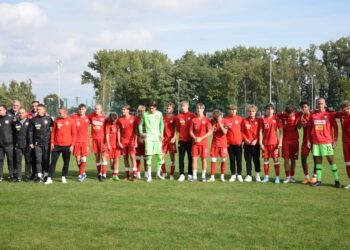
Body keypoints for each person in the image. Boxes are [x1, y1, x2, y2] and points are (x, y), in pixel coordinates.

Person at [307, 98, 340, 188]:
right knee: (318, 161)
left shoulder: (329, 115)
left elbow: (335, 127)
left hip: (326, 141)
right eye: (318, 103)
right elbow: (309, 129)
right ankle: (319, 180)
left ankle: (337, 180)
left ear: (325, 104)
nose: (320, 105)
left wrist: (335, 140)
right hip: (316, 142)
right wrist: (308, 140)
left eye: (321, 103)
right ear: (316, 104)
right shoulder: (313, 115)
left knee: (331, 160)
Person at [45, 107, 76, 184]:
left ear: (65, 112)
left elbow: (74, 134)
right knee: (53, 162)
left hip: (67, 145)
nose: (58, 114)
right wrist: (52, 142)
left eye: (60, 113)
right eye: (58, 112)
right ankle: (49, 178)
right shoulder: (56, 120)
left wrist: (72, 145)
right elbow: (53, 133)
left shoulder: (71, 121)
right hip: (56, 145)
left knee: (66, 162)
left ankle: (63, 177)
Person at [138, 101, 164, 182]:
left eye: (152, 107)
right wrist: (141, 133)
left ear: (155, 107)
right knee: (149, 157)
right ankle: (149, 176)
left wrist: (161, 133)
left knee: (159, 157)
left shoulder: (159, 114)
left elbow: (161, 124)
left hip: (157, 138)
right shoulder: (145, 114)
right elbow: (140, 125)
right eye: (150, 107)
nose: (151, 109)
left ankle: (158, 174)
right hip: (149, 138)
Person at [28, 104, 53, 182]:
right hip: (37, 143)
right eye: (37, 109)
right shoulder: (33, 119)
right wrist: (31, 142)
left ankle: (46, 175)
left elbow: (55, 128)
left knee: (46, 160)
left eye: (40, 109)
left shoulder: (48, 118)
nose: (38, 110)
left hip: (47, 143)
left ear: (44, 110)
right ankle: (39, 175)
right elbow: (30, 132)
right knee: (38, 160)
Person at [259, 104, 283, 184]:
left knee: (276, 160)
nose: (269, 110)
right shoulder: (263, 119)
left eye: (271, 109)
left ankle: (277, 177)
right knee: (266, 160)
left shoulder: (276, 118)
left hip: (274, 143)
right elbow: (260, 131)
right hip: (265, 144)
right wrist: (260, 142)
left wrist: (280, 142)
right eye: (268, 109)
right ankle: (266, 177)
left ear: (273, 110)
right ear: (265, 110)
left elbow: (281, 131)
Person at [189, 103, 212, 182]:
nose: (199, 110)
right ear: (196, 109)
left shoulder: (207, 120)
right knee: (194, 159)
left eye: (200, 108)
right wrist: (195, 138)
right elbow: (190, 131)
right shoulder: (193, 120)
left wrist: (201, 138)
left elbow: (210, 132)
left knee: (203, 159)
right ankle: (194, 177)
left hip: (203, 144)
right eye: (197, 108)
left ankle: (203, 176)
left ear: (203, 109)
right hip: (195, 143)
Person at [277, 106, 300, 183]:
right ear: (285, 112)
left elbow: (306, 112)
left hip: (295, 141)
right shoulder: (282, 115)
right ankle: (287, 176)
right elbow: (274, 116)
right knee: (286, 159)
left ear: (293, 112)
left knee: (293, 159)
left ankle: (292, 176)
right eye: (288, 113)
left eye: (291, 113)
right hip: (285, 141)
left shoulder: (297, 114)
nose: (290, 115)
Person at [176, 100, 196, 182]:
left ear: (188, 106)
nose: (183, 108)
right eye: (182, 106)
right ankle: (181, 174)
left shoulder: (192, 115)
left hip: (190, 141)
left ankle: (190, 174)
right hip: (181, 140)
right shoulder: (178, 116)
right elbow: (177, 128)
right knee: (181, 158)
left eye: (184, 106)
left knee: (190, 158)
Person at [117, 104, 137, 181]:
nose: (123, 111)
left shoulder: (133, 118)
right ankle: (127, 175)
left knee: (132, 157)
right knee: (125, 158)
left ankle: (134, 175)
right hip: (123, 142)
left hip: (131, 142)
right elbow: (118, 131)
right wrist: (119, 142)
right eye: (122, 109)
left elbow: (135, 131)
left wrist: (135, 141)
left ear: (128, 110)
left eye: (124, 109)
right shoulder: (120, 119)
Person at [242, 105, 261, 182]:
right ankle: (249, 175)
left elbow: (261, 132)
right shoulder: (244, 121)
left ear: (255, 112)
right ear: (247, 112)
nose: (251, 113)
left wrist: (256, 140)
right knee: (248, 160)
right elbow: (242, 132)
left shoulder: (259, 121)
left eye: (253, 111)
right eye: (249, 111)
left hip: (256, 144)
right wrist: (245, 139)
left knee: (256, 160)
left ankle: (257, 175)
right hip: (247, 144)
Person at [89, 104, 108, 181]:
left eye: (98, 109)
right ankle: (99, 174)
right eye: (95, 109)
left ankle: (104, 174)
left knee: (103, 157)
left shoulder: (105, 118)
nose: (96, 110)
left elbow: (108, 129)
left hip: (102, 140)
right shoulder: (91, 116)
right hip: (94, 140)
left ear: (101, 109)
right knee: (97, 157)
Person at [71, 104, 90, 182]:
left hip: (85, 141)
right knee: (78, 159)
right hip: (76, 141)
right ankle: (83, 173)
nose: (81, 110)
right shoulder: (74, 117)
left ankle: (80, 174)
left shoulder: (88, 119)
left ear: (85, 110)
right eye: (80, 109)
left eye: (82, 109)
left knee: (83, 158)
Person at [299, 101, 317, 184]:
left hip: (315, 140)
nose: (304, 108)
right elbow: (299, 127)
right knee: (303, 158)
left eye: (305, 107)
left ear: (309, 107)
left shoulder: (314, 115)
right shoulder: (302, 117)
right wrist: (301, 118)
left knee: (316, 158)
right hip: (305, 141)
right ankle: (306, 177)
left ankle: (314, 176)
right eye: (302, 107)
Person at [225, 104, 244, 182]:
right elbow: (225, 132)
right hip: (230, 144)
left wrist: (241, 139)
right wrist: (226, 142)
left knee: (239, 160)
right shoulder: (226, 119)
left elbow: (243, 130)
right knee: (232, 160)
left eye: (234, 110)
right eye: (231, 110)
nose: (232, 111)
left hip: (238, 143)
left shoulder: (240, 119)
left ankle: (239, 174)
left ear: (236, 110)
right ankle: (233, 174)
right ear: (229, 110)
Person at [208, 110, 227, 182]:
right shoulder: (212, 121)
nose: (218, 118)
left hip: (223, 144)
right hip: (214, 144)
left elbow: (225, 132)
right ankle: (212, 176)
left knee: (223, 160)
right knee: (213, 160)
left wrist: (220, 123)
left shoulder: (225, 121)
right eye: (216, 117)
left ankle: (222, 176)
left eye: (219, 116)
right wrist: (214, 124)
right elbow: (210, 132)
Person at [13, 108, 31, 182]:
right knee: (18, 161)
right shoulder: (15, 123)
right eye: (19, 113)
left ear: (26, 113)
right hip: (18, 145)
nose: (21, 114)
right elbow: (13, 134)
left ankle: (27, 176)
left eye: (22, 113)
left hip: (27, 145)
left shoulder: (29, 122)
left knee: (28, 161)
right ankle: (19, 177)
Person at [335, 100, 350, 189]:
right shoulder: (341, 115)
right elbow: (332, 114)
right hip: (345, 142)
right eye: (345, 107)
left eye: (349, 107)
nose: (347, 108)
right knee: (348, 163)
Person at [161, 102, 177, 180]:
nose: (168, 109)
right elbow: (160, 128)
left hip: (171, 140)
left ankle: (171, 174)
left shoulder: (174, 118)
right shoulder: (163, 117)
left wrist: (174, 137)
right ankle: (164, 172)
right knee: (161, 157)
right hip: (164, 140)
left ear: (172, 109)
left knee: (172, 158)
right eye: (167, 108)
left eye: (169, 108)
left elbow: (176, 129)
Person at [0, 105, 14, 182]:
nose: (0, 111)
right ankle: (0, 176)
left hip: (9, 144)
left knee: (10, 160)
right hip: (0, 145)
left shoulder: (10, 117)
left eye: (0, 110)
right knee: (0, 160)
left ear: (5, 110)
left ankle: (11, 175)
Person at [105, 112, 120, 181]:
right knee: (111, 161)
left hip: (116, 145)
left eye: (115, 120)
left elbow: (119, 133)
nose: (114, 121)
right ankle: (112, 173)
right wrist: (108, 144)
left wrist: (119, 142)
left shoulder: (117, 124)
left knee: (116, 159)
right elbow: (107, 134)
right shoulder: (108, 125)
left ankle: (115, 175)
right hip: (110, 145)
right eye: (113, 120)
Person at [135, 105, 147, 179]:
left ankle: (146, 173)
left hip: (146, 140)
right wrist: (136, 141)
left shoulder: (147, 118)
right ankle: (138, 173)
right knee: (138, 157)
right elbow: (135, 131)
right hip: (138, 140)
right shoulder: (136, 120)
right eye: (139, 111)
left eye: (142, 111)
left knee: (146, 157)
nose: (141, 112)